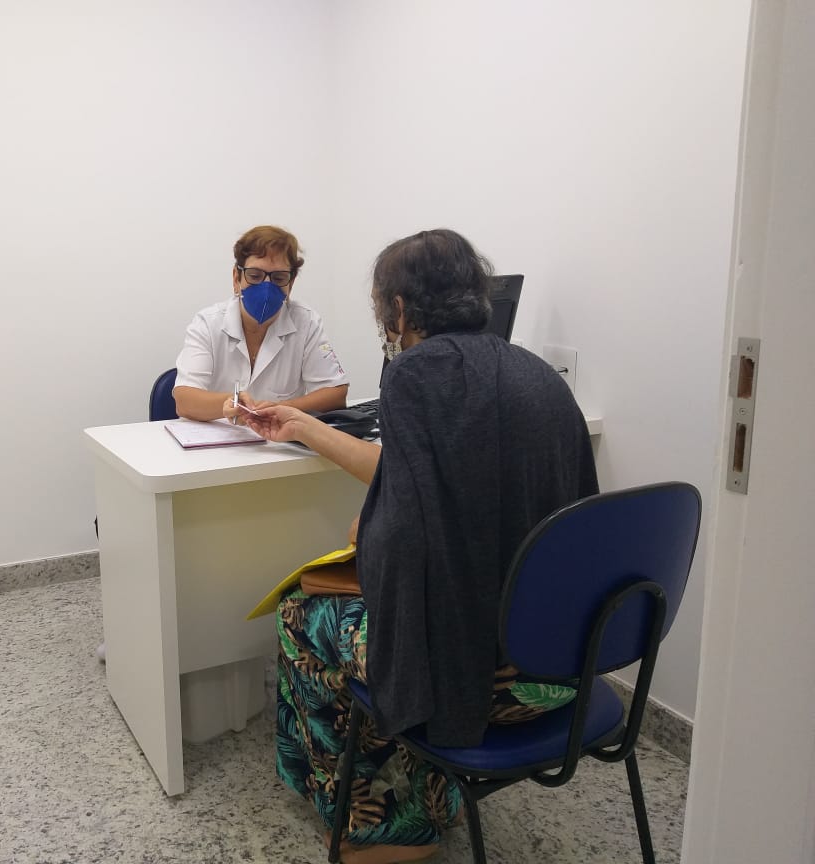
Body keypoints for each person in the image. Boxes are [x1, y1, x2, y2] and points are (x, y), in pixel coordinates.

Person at [241, 229, 599, 864]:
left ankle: (385, 828)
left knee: (303, 611)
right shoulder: (539, 376)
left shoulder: (413, 373)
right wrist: (304, 427)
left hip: (478, 684)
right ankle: (434, 796)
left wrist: (371, 528)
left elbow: (401, 547)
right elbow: (433, 476)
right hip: (565, 665)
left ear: (400, 309)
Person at [173, 225, 349, 422]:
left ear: (290, 284)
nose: (266, 288)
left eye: (279, 278)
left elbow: (335, 394)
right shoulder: (207, 323)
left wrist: (280, 410)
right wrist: (231, 403)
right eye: (255, 276)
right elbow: (184, 400)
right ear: (236, 278)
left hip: (281, 436)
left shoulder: (306, 322)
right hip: (217, 436)